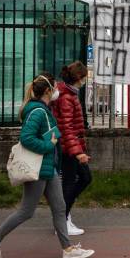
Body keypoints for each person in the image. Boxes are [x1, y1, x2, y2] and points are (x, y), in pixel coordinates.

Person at [0, 73, 94, 258]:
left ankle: (68, 249)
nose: (58, 91)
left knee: (59, 208)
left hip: (49, 169)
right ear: (48, 91)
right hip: (39, 168)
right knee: (26, 211)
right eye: (55, 88)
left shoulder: (43, 110)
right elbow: (27, 138)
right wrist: (48, 145)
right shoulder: (38, 111)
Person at [52, 61, 91, 236]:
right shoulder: (67, 98)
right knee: (72, 182)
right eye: (84, 78)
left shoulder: (69, 94)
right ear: (79, 78)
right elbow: (67, 128)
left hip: (71, 146)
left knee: (84, 178)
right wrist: (78, 152)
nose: (85, 81)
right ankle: (62, 221)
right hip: (69, 149)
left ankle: (63, 217)